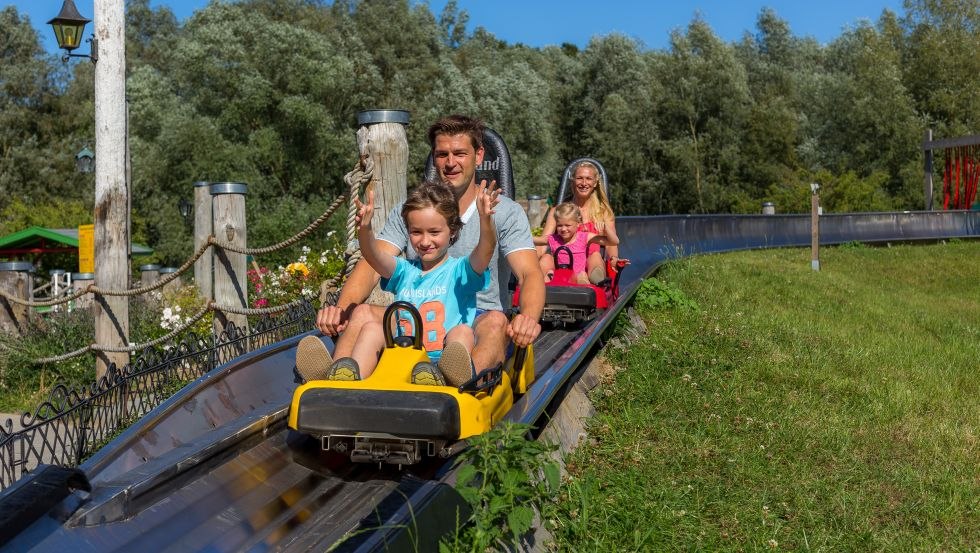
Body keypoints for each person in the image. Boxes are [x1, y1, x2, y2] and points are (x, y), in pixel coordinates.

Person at [297, 115, 544, 386]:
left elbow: (530, 274)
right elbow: (371, 264)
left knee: (496, 321)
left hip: (475, 317)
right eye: (442, 154)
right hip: (418, 314)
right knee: (363, 313)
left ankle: (459, 386)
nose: (450, 163)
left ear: (479, 155)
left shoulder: (503, 212)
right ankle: (335, 382)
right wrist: (340, 309)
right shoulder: (415, 210)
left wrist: (528, 318)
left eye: (460, 153)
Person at [307, 179, 499, 385]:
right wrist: (365, 229)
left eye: (434, 232)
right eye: (416, 232)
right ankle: (344, 378)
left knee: (462, 332)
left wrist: (485, 220)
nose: (425, 242)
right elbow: (374, 256)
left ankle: (450, 380)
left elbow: (486, 250)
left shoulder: (461, 271)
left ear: (452, 230)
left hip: (441, 362)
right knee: (372, 328)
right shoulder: (404, 271)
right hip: (402, 358)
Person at [539, 160, 625, 267]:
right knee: (546, 259)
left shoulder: (603, 213)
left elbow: (611, 245)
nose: (584, 183)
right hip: (563, 263)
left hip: (592, 263)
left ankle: (594, 277)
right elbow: (543, 243)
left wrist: (614, 259)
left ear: (595, 183)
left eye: (588, 179)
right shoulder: (557, 211)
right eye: (579, 178)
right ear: (573, 181)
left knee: (595, 256)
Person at [534, 202, 608, 285]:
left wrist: (607, 230)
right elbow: (535, 240)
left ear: (578, 224)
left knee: (592, 261)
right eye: (559, 225)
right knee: (547, 258)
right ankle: (538, 283)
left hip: (579, 274)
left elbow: (612, 241)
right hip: (559, 276)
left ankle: (594, 282)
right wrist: (518, 235)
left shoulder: (584, 237)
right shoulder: (554, 239)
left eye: (567, 225)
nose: (563, 229)